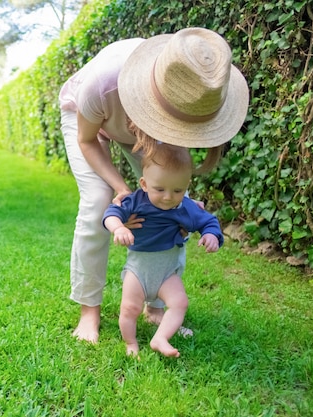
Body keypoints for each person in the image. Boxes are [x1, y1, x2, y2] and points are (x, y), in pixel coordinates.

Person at [58, 27, 249, 343]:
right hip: (91, 121)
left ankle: (157, 306)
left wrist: (186, 210)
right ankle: (89, 310)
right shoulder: (103, 84)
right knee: (98, 201)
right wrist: (121, 189)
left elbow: (172, 189)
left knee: (173, 199)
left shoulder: (192, 95)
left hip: (150, 119)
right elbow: (87, 139)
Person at [103, 143, 223, 357]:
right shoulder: (136, 201)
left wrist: (211, 235)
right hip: (139, 270)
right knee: (130, 309)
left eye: (178, 190)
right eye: (160, 189)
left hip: (167, 272)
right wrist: (118, 227)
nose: (168, 197)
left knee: (179, 303)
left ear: (186, 186)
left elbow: (209, 222)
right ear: (144, 184)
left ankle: (160, 337)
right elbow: (111, 213)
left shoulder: (185, 207)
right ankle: (130, 344)